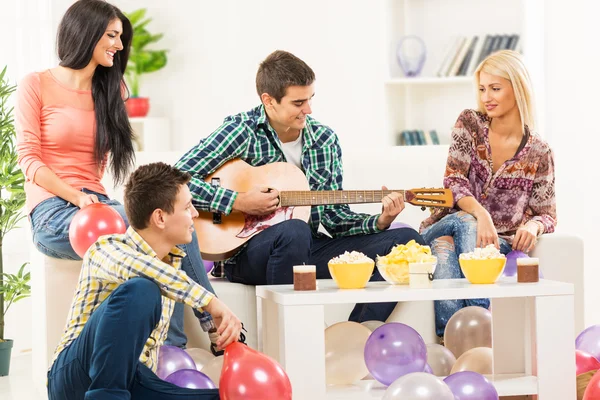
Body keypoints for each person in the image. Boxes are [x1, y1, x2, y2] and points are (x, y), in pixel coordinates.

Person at [15, 0, 211, 348]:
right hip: (52, 214)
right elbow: (29, 160)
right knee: (158, 229)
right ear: (85, 33)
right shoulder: (37, 84)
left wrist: (93, 201)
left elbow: (100, 165)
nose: (119, 46)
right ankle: (198, 328)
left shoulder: (112, 90)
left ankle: (175, 346)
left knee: (174, 224)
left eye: (121, 37)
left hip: (97, 206)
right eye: (112, 35)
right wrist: (77, 197)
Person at [176, 50, 424, 323]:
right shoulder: (242, 130)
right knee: (294, 231)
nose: (308, 110)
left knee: (407, 240)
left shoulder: (324, 139)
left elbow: (334, 218)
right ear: (268, 101)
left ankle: (355, 334)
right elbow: (176, 179)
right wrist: (238, 201)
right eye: (298, 102)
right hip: (249, 254)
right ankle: (287, 340)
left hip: (307, 249)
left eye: (310, 99)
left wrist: (381, 220)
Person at [47, 162, 242, 400]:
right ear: (160, 217)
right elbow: (143, 269)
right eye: (188, 206)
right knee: (142, 289)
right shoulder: (105, 248)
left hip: (131, 376)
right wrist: (210, 302)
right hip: (75, 375)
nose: (195, 214)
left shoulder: (172, 266)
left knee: (224, 398)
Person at [419, 50, 557, 339]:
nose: (486, 97)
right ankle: (485, 337)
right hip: (447, 223)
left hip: (499, 244)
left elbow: (547, 213)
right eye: (482, 89)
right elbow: (454, 180)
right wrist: (481, 214)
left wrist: (533, 225)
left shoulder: (539, 151)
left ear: (517, 89)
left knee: (444, 256)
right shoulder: (469, 124)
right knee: (466, 225)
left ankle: (451, 343)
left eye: (495, 88)